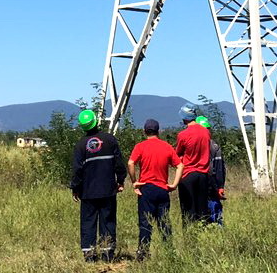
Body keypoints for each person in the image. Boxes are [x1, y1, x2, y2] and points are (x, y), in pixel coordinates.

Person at [70, 109, 126, 262]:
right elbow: (119, 164)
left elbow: (77, 170)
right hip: (108, 190)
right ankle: (107, 255)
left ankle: (89, 256)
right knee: (107, 222)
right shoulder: (110, 140)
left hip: (88, 192)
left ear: (83, 126)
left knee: (88, 223)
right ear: (96, 121)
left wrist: (75, 188)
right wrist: (121, 181)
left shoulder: (80, 146)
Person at [128, 118, 181, 259]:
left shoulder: (140, 146)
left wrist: (135, 182)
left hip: (146, 189)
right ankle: (169, 251)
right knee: (164, 222)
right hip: (162, 189)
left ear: (145, 131)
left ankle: (143, 253)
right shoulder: (167, 147)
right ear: (158, 131)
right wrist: (174, 184)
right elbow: (180, 165)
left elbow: (131, 162)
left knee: (145, 222)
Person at [174, 106, 211, 224]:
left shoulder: (183, 135)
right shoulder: (206, 132)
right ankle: (204, 233)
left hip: (188, 174)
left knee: (188, 209)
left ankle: (189, 236)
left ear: (185, 118)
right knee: (202, 209)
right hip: (204, 174)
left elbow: (177, 154)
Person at [195, 115, 226, 225]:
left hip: (201, 182)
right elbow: (219, 168)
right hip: (212, 183)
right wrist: (220, 186)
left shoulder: (194, 145)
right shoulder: (214, 146)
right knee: (214, 209)